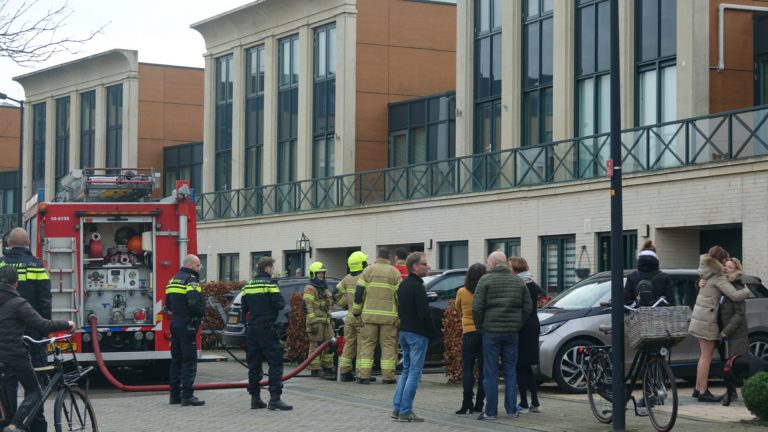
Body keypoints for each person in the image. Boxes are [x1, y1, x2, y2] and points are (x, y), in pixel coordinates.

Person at [0, 265, 73, 432]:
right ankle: (14, 426)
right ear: (16, 284)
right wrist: (67, 324)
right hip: (14, 354)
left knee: (7, 403)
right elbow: (42, 324)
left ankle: (9, 423)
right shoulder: (18, 303)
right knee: (34, 391)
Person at [0, 228, 52, 432]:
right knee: (35, 385)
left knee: (8, 383)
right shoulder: (36, 265)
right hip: (33, 335)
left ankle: (10, 423)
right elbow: (45, 301)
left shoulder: (1, 264)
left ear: (9, 244)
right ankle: (35, 424)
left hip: (6, 335)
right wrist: (44, 332)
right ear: (28, 243)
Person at [472, 251, 531, 420]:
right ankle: (511, 410)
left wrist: (481, 326)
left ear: (493, 263)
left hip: (490, 332)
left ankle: (491, 412)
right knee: (510, 371)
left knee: (490, 372)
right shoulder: (518, 281)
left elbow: (476, 307)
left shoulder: (485, 280)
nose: (486, 264)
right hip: (511, 333)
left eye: (488, 262)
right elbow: (528, 307)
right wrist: (517, 324)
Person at [689, 246, 750, 402]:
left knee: (703, 356)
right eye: (724, 262)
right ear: (720, 260)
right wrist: (747, 291)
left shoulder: (706, 272)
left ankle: (697, 388)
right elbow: (735, 295)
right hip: (707, 321)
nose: (725, 266)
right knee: (706, 357)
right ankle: (703, 392)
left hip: (699, 318)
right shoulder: (717, 276)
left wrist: (699, 282)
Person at [241, 256, 292, 410]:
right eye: (272, 268)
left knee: (254, 365)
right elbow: (280, 304)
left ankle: (255, 399)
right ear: (268, 268)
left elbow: (244, 308)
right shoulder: (270, 284)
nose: (273, 271)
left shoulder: (248, 285)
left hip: (252, 330)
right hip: (267, 329)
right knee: (275, 362)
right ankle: (275, 399)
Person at [391, 252, 434, 422]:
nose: (427, 266)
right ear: (415, 266)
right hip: (417, 334)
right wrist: (431, 331)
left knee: (406, 370)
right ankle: (406, 410)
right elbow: (423, 313)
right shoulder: (418, 286)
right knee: (414, 372)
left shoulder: (403, 285)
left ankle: (397, 408)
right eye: (424, 264)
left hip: (404, 332)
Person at [352, 248, 401, 384]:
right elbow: (400, 296)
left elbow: (359, 293)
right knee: (388, 346)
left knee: (367, 344)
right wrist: (400, 314)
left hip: (369, 316)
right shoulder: (394, 272)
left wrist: (356, 311)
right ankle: (388, 377)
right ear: (388, 257)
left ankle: (364, 376)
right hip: (389, 318)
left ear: (377, 256)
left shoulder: (368, 271)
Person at [165, 254, 205, 406]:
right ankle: (187, 395)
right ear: (190, 265)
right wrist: (200, 314)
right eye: (198, 265)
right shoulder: (191, 280)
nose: (199, 269)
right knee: (189, 361)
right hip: (187, 325)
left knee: (176, 360)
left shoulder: (172, 280)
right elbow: (194, 303)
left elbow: (168, 306)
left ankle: (174, 396)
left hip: (175, 323)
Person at [508, 256, 545, 413]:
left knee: (519, 365)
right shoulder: (530, 282)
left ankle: (524, 402)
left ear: (516, 269)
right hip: (533, 325)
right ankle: (534, 402)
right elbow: (544, 297)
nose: (508, 270)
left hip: (523, 326)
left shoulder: (519, 284)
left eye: (510, 268)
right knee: (527, 365)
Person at [453, 263, 486, 415]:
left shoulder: (462, 291)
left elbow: (457, 307)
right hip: (484, 332)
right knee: (484, 369)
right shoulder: (486, 290)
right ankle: (480, 403)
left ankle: (466, 402)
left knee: (467, 367)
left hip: (468, 332)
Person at [717, 257, 749, 405]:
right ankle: (731, 392)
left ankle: (749, 392)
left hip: (736, 334)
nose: (726, 269)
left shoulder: (737, 286)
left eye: (729, 267)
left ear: (736, 270)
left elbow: (739, 314)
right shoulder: (722, 285)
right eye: (725, 266)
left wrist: (726, 331)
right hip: (723, 332)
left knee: (738, 365)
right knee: (726, 365)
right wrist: (699, 282)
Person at [335, 251, 370, 382]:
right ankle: (361, 375)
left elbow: (335, 294)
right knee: (362, 346)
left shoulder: (347, 278)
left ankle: (345, 372)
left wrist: (345, 305)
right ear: (362, 263)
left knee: (349, 344)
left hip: (349, 317)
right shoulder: (365, 277)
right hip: (362, 317)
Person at [303, 261, 335, 379]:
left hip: (325, 321)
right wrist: (312, 322)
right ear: (313, 274)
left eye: (322, 273)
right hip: (316, 322)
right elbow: (308, 306)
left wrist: (330, 318)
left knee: (330, 344)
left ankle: (327, 366)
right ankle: (315, 368)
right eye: (319, 273)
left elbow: (328, 305)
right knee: (315, 345)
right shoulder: (310, 288)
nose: (321, 275)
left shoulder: (324, 288)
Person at [623, 240, 675, 307]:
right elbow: (671, 303)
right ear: (655, 259)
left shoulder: (632, 277)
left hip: (637, 313)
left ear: (640, 260)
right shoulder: (664, 277)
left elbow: (626, 302)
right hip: (658, 313)